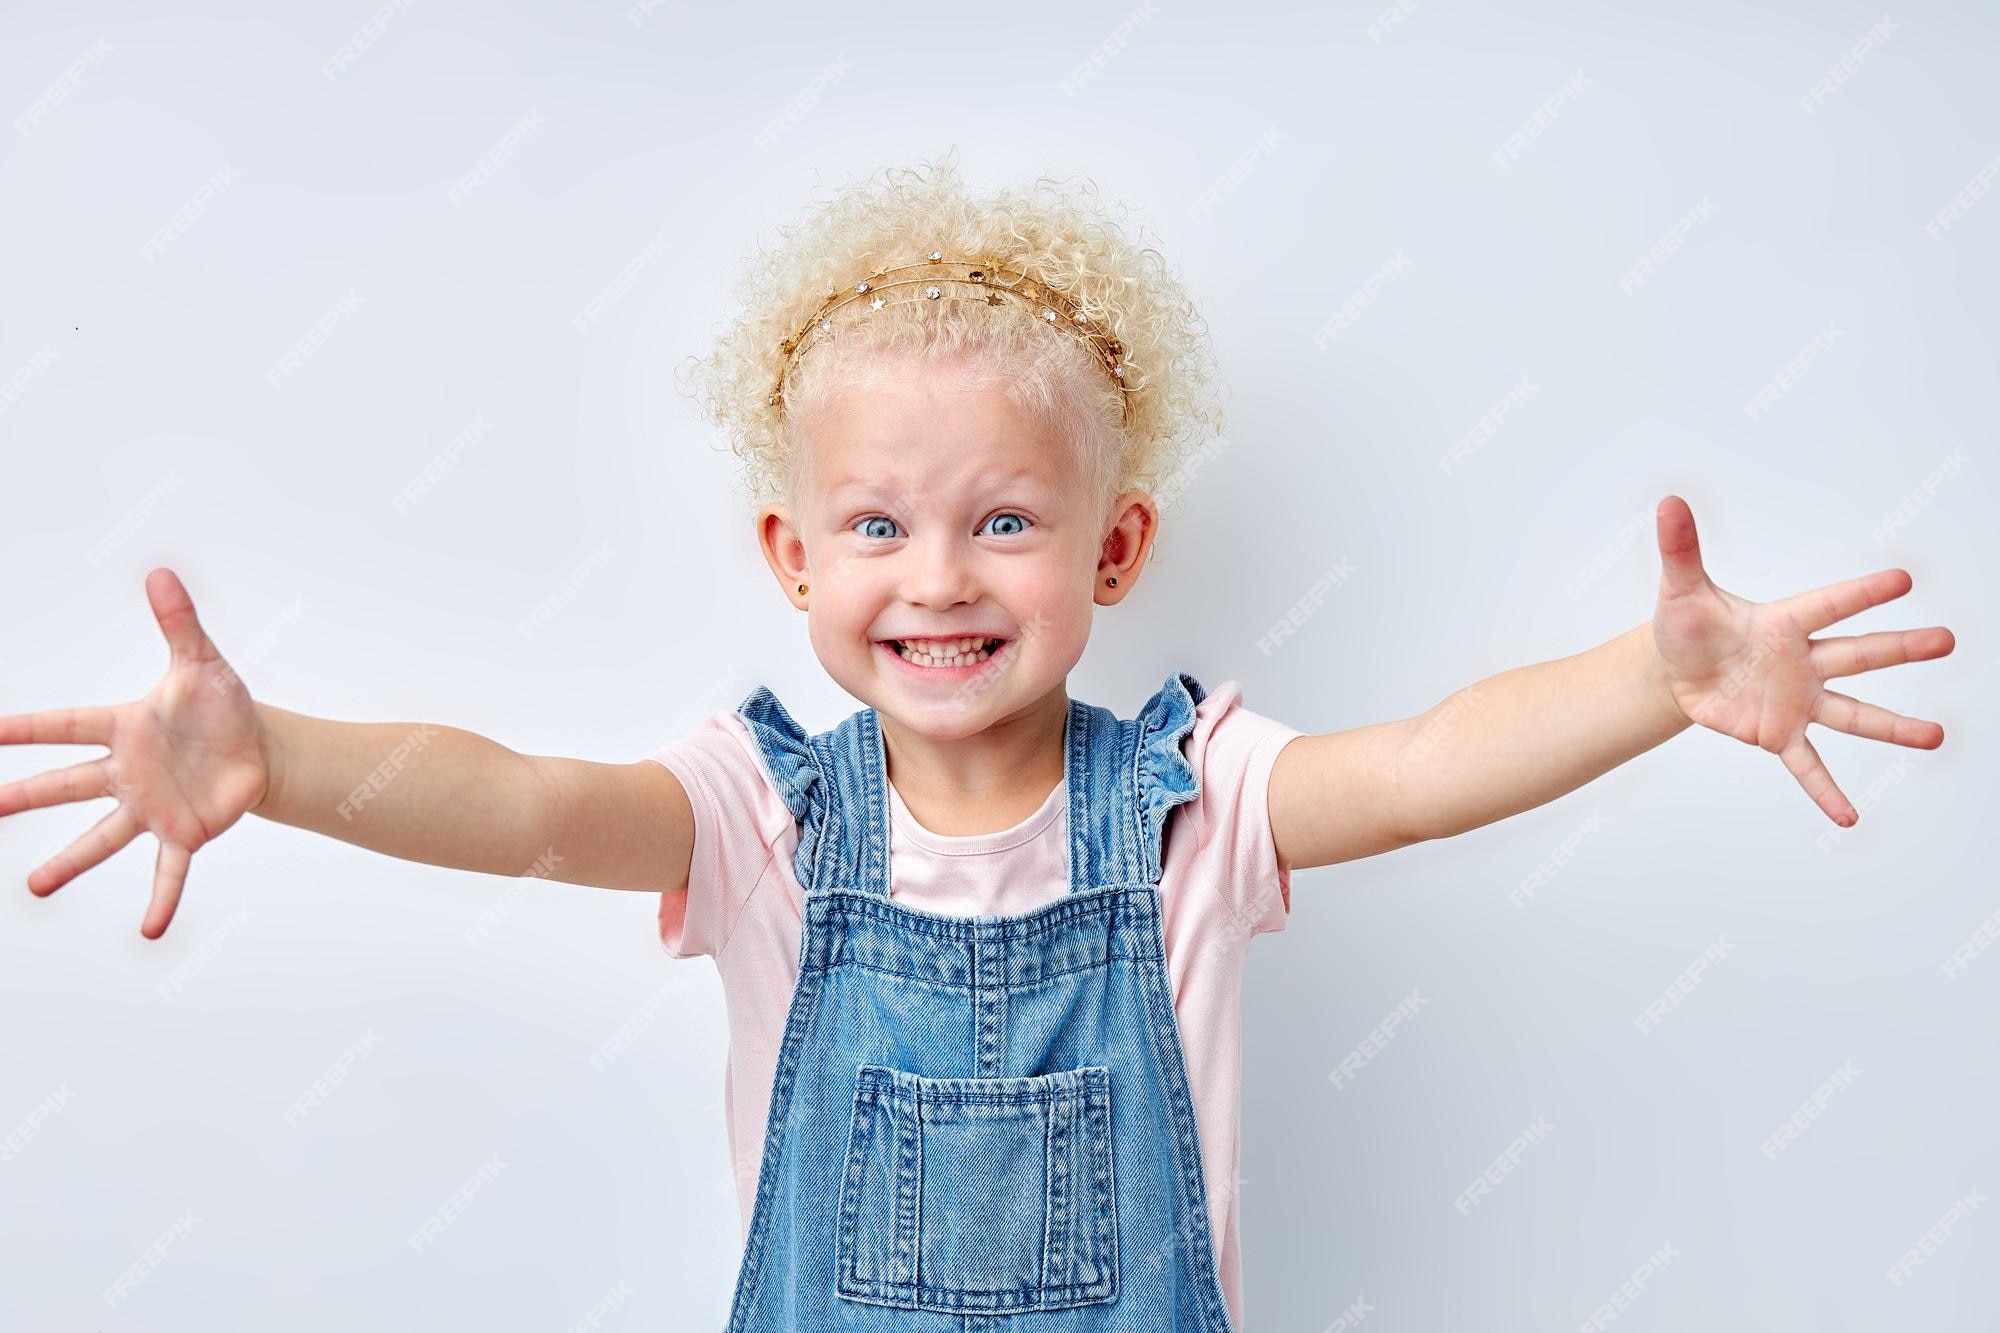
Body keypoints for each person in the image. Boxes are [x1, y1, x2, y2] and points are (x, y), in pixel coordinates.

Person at [0, 153, 1954, 1330]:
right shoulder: (757, 812)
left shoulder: (1197, 804)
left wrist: (1649, 679)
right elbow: (518, 805)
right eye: (878, 525)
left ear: (1114, 549)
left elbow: (1431, 760)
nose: (939, 576)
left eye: (1003, 520)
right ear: (791, 554)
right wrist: (285, 755)